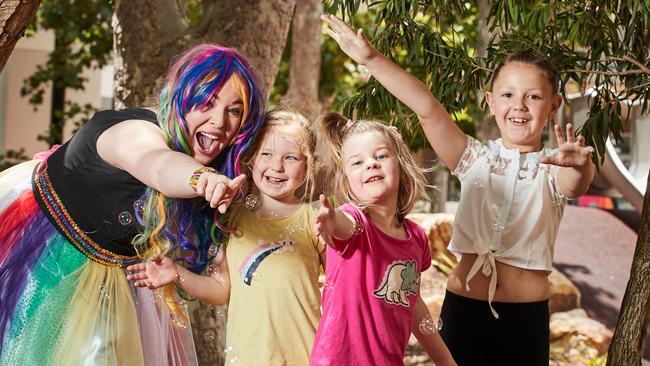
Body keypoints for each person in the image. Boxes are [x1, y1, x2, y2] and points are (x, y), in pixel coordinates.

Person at [321, 12, 596, 366]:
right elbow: (427, 108)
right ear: (490, 101)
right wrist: (370, 59)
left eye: (534, 97)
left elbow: (575, 183)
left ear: (554, 105)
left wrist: (580, 165)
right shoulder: (473, 158)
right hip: (463, 312)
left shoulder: (554, 167)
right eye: (508, 94)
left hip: (525, 322)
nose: (519, 105)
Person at [0, 43, 265, 366]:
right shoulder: (135, 133)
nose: (219, 121)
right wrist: (200, 179)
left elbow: (221, 285)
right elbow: (158, 165)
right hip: (43, 255)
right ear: (180, 98)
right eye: (206, 102)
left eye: (234, 110)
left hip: (115, 276)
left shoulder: (223, 173)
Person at [127, 108, 326, 365]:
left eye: (290, 157)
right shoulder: (232, 219)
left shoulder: (315, 220)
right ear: (252, 158)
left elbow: (340, 289)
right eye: (266, 154)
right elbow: (221, 291)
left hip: (307, 356)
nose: (276, 166)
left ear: (309, 164)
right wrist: (176, 273)